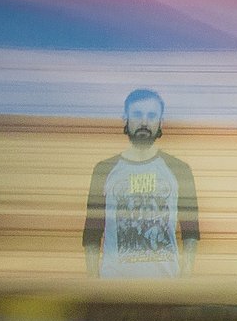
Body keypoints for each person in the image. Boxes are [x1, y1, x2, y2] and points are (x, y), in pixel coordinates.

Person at [83, 88, 200, 278]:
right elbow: (91, 233)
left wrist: (184, 279)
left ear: (160, 122)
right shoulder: (104, 170)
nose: (144, 122)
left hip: (165, 288)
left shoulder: (179, 170)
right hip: (114, 288)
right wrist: (94, 283)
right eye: (137, 114)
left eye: (152, 115)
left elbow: (191, 232)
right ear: (125, 119)